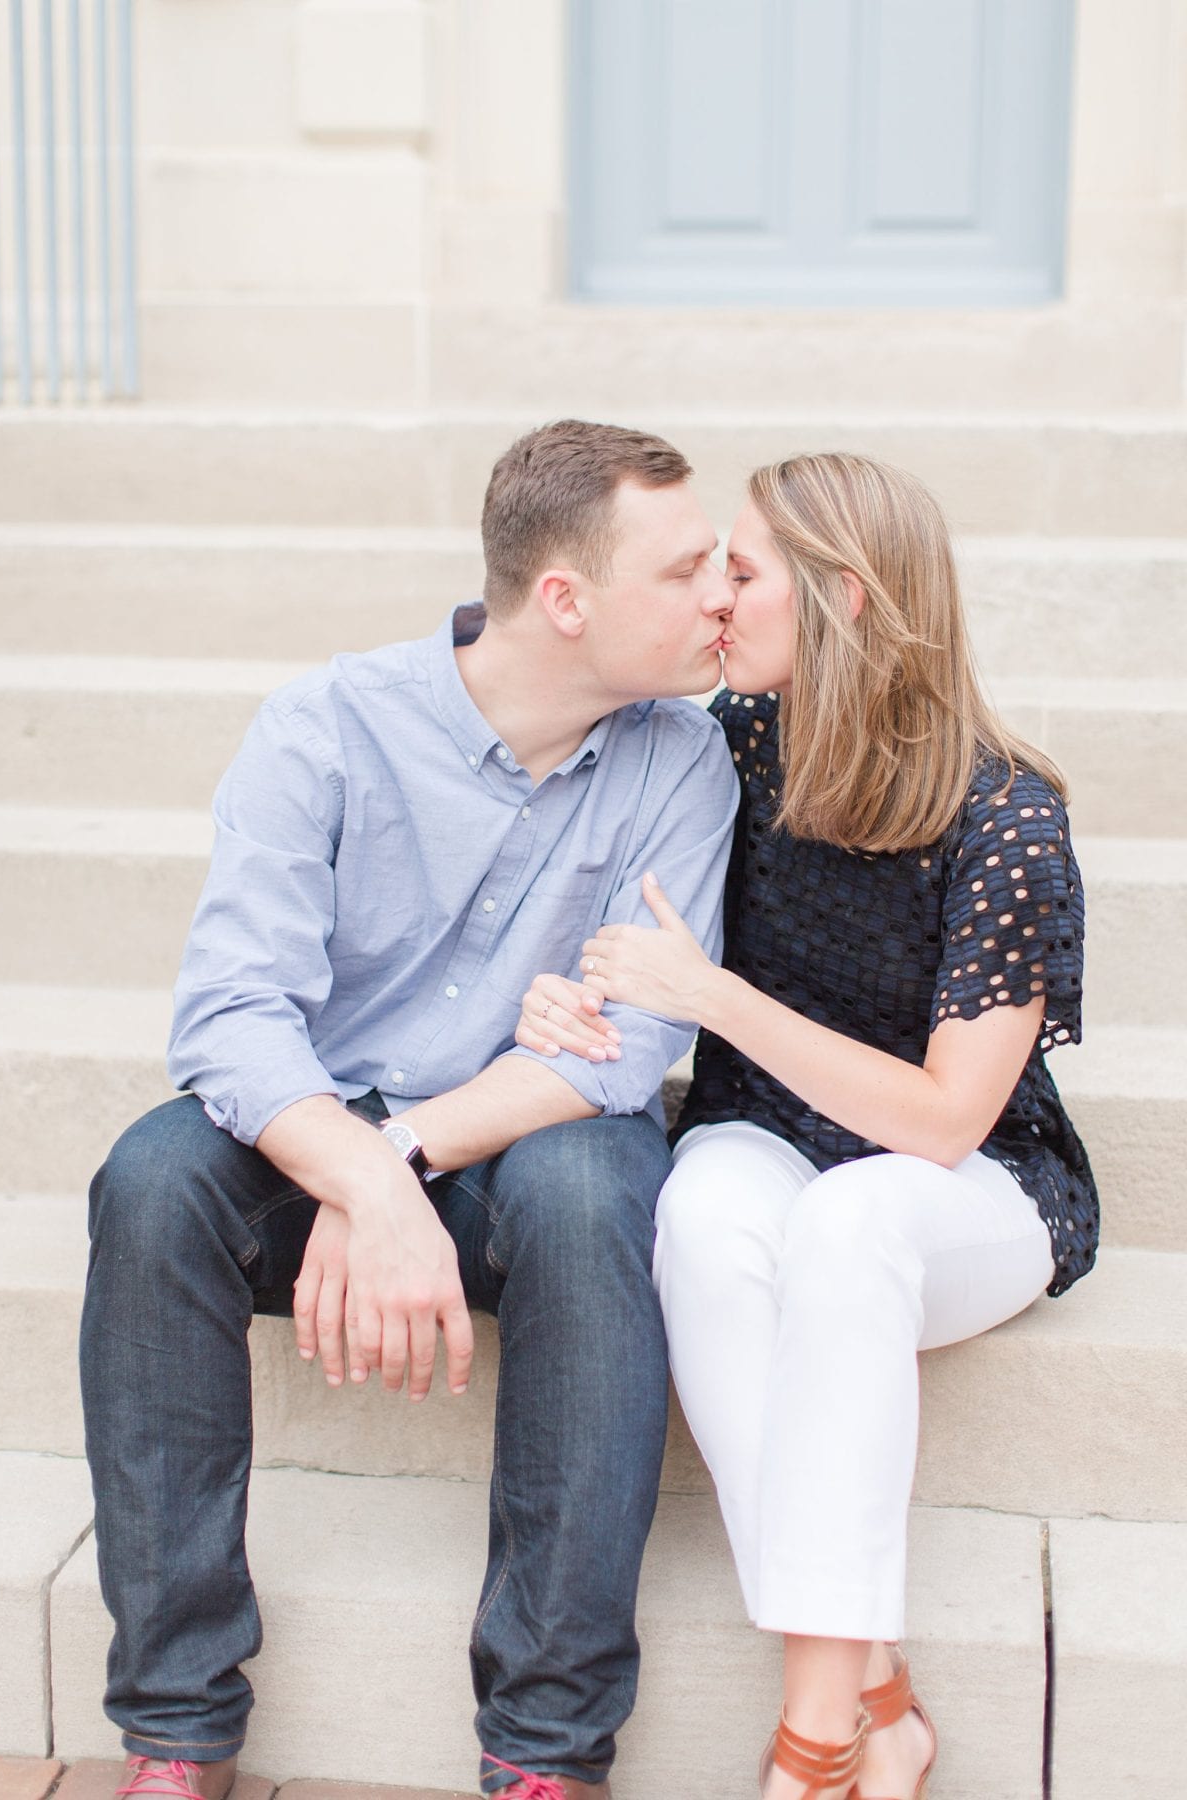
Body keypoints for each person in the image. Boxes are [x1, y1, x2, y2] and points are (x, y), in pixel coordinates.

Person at [80, 419, 741, 1800]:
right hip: (331, 1118)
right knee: (151, 1185)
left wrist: (405, 1153)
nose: (723, 595)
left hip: (515, 1137)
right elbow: (230, 1018)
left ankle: (549, 1748)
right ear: (566, 600)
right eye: (685, 572)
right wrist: (367, 1182)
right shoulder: (326, 726)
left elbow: (627, 1051)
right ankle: (174, 1730)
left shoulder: (686, 759)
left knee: (595, 1186)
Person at [516, 452, 1100, 1800]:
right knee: (705, 1216)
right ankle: (878, 1696)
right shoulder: (731, 745)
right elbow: (619, 930)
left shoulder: (1008, 815)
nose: (715, 598)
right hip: (762, 1137)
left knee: (849, 1220)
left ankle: (814, 1741)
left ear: (837, 594)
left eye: (740, 568)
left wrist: (718, 996)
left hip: (971, 1190)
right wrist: (567, 997)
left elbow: (951, 1121)